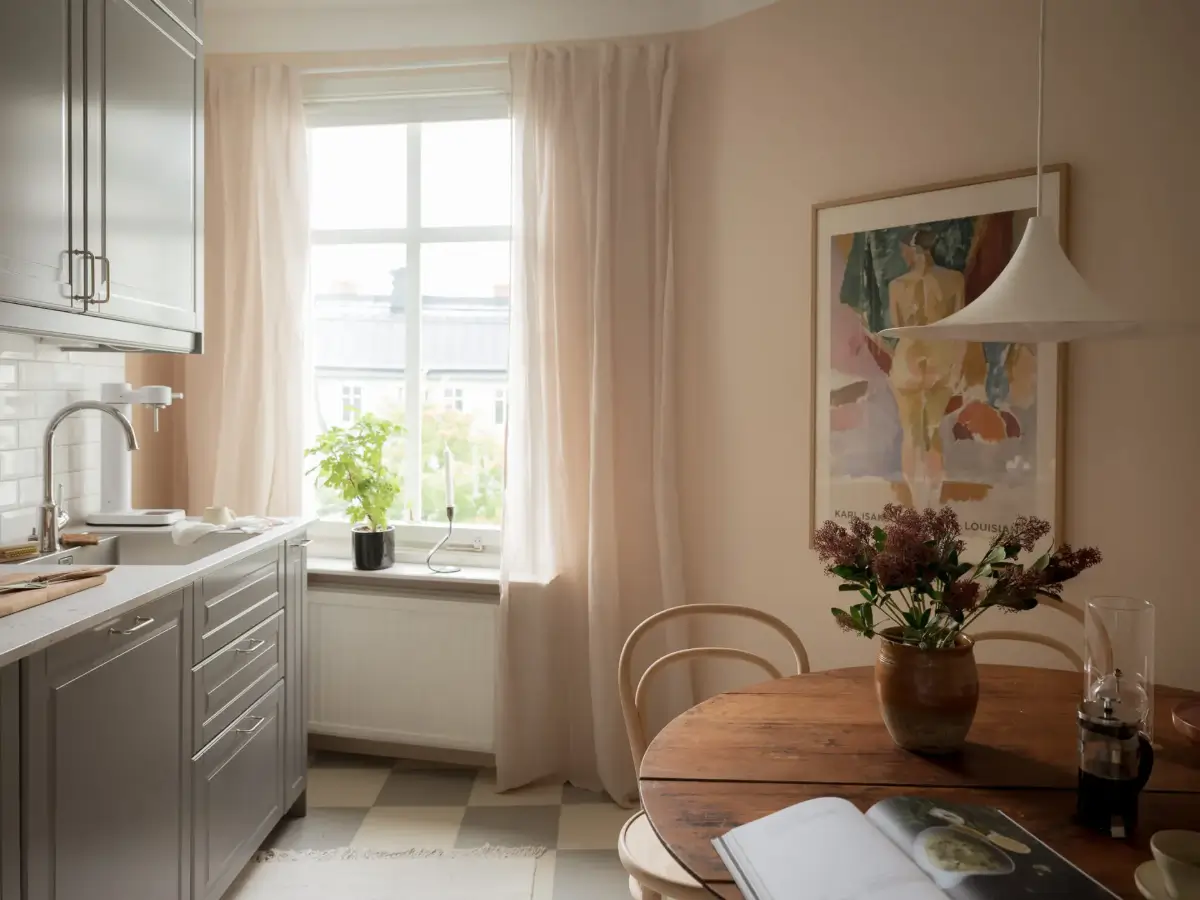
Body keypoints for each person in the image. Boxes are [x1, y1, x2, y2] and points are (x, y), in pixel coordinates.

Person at [886, 230, 967, 509]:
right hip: (940, 361)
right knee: (932, 431)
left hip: (908, 360)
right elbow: (959, 329)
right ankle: (932, 503)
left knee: (911, 434)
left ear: (912, 249)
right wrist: (957, 367)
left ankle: (918, 505)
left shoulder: (897, 285)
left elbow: (898, 326)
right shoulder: (954, 280)